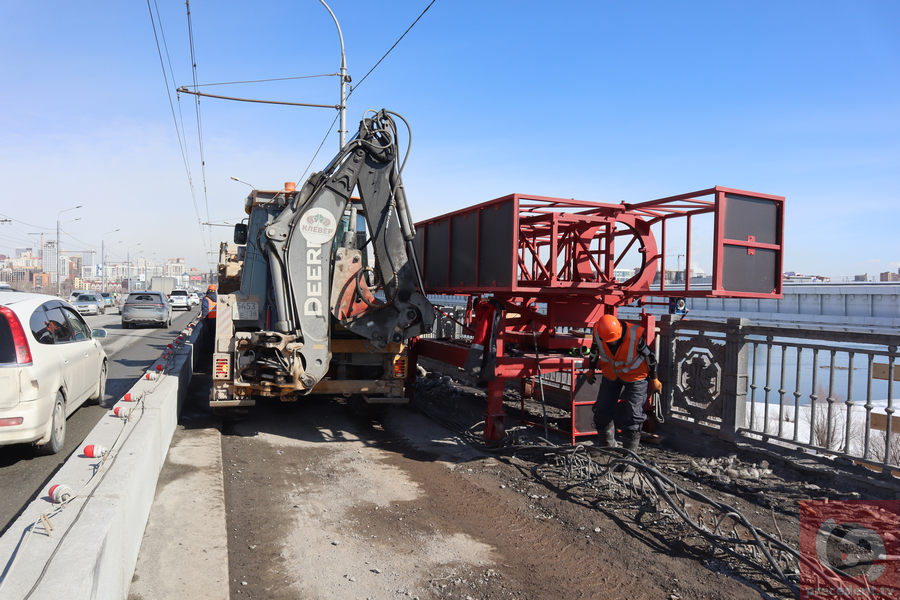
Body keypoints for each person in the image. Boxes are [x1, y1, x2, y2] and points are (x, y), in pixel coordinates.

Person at [586, 314, 661, 453]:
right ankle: (606, 447)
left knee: (633, 416)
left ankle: (629, 457)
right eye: (609, 341)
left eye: (614, 341)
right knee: (602, 410)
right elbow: (594, 350)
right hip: (612, 374)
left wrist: (654, 379)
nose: (611, 343)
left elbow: (650, 357)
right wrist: (591, 369)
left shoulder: (634, 337)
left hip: (635, 376)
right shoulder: (599, 333)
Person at [200, 284, 217, 359]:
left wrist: (203, 319)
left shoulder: (206, 299)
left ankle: (209, 352)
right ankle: (214, 350)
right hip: (217, 320)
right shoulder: (217, 299)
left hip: (209, 320)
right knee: (214, 336)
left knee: (208, 337)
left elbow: (205, 309)